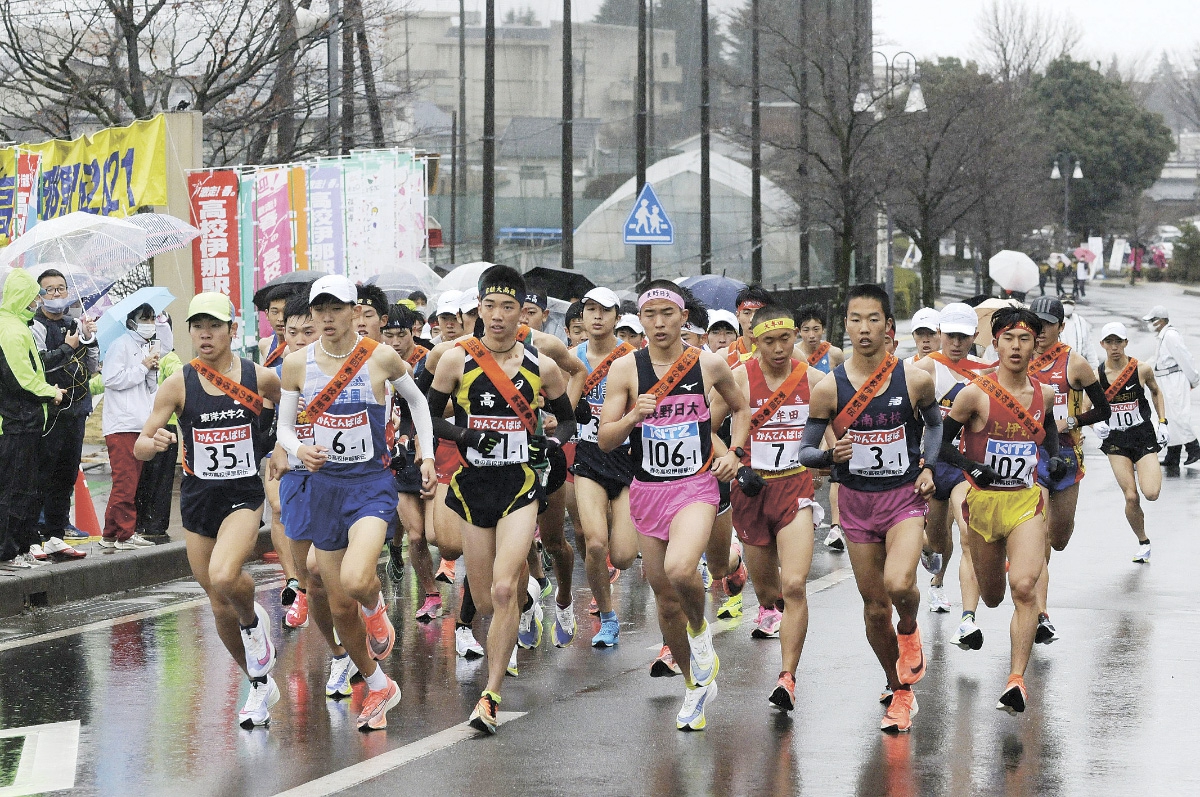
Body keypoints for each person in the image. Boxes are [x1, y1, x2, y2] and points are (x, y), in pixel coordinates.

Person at [275, 274, 436, 732]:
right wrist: (298, 447)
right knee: (338, 605)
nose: (326, 317)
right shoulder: (296, 365)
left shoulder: (380, 357)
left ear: (353, 311)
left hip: (370, 485)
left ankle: (377, 608)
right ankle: (378, 682)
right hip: (324, 487)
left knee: (356, 578)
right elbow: (285, 426)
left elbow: (419, 404)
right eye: (319, 309)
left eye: (336, 308)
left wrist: (425, 455)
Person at [427, 265, 576, 734]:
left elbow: (570, 420)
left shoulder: (541, 366)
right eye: (489, 306)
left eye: (508, 307)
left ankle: (490, 695)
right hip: (474, 488)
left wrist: (552, 439)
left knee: (504, 588)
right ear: (478, 308)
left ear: (522, 313)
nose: (497, 315)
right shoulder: (456, 360)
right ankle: (525, 609)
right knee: (487, 601)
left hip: (519, 485)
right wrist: (466, 434)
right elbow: (428, 418)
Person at [598, 280, 749, 731]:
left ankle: (702, 640)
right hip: (647, 489)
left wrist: (733, 454)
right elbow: (606, 440)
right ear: (639, 320)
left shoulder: (707, 362)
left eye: (668, 313)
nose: (659, 323)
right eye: (650, 315)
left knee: (684, 569)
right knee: (665, 600)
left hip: (696, 486)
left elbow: (742, 410)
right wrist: (632, 417)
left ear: (685, 318)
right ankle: (693, 685)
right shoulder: (625, 369)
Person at [798, 284, 943, 734]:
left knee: (900, 584)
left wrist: (928, 466)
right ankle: (897, 688)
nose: (864, 329)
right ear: (846, 325)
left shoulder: (914, 378)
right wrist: (828, 457)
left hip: (902, 499)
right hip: (857, 505)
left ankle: (912, 627)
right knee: (875, 606)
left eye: (873, 319)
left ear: (888, 327)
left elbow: (936, 426)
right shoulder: (828, 388)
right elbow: (805, 450)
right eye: (856, 320)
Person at [134, 293, 283, 728]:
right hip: (198, 500)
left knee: (224, 574)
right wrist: (154, 443)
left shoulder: (261, 377)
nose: (204, 333)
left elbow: (295, 412)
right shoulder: (179, 383)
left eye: (214, 326)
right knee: (219, 605)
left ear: (232, 330)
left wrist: (281, 448)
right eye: (197, 325)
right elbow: (142, 443)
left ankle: (254, 622)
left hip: (242, 496)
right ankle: (257, 684)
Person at [938, 306, 1063, 715]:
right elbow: (939, 446)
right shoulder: (974, 392)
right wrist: (970, 466)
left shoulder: (1042, 393)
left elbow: (1051, 436)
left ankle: (1015, 681)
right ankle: (985, 609)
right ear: (995, 343)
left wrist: (1056, 459)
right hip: (983, 505)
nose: (1015, 346)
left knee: (1024, 587)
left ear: (1034, 345)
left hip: (1025, 503)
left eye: (1024, 339)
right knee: (993, 597)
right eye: (1007, 338)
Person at [711, 305, 823, 710]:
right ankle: (740, 571)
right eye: (768, 341)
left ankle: (787, 677)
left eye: (785, 339)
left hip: (795, 490)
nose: (778, 349)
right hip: (750, 492)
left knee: (794, 585)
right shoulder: (738, 379)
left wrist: (826, 456)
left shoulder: (813, 380)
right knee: (770, 593)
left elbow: (834, 431)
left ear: (795, 336)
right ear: (754, 341)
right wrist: (734, 462)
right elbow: (704, 429)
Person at [1026, 295, 1110, 644]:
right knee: (1038, 536)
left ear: (1061, 327)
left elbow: (1103, 408)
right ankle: (1041, 614)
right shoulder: (1018, 360)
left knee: (1058, 538)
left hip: (1067, 455)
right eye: (1035, 323)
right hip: (1030, 457)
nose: (1040, 331)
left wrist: (1071, 419)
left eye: (1047, 324)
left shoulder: (1074, 364)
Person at [912, 303, 991, 629]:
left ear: (974, 336)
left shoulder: (986, 371)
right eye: (950, 335)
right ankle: (934, 568)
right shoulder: (923, 369)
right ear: (940, 334)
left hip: (963, 464)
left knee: (968, 531)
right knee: (935, 537)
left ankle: (965, 617)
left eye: (963, 336)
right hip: (929, 462)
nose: (956, 343)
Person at [569, 288, 639, 648]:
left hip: (628, 458)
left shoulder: (633, 358)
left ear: (616, 317)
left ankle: (621, 560)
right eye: (590, 309)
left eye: (604, 311)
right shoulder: (572, 358)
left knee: (624, 556)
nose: (597, 317)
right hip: (589, 457)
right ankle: (608, 619)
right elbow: (558, 408)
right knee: (595, 543)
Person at [0, 270, 66, 568]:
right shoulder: (11, 330)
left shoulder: (17, 326)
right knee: (13, 490)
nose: (37, 301)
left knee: (25, 489)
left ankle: (20, 547)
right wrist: (48, 392)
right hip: (15, 422)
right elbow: (21, 379)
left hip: (25, 421)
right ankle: (7, 551)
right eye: (34, 294)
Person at [31, 268, 97, 553]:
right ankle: (33, 536)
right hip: (49, 412)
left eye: (61, 289)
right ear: (40, 296)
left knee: (66, 475)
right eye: (50, 290)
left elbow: (92, 367)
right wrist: (69, 348)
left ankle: (57, 533)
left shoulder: (75, 323)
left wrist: (88, 339)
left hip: (77, 410)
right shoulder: (35, 325)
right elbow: (38, 366)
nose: (57, 295)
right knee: (41, 475)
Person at [381, 304, 440, 617]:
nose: (394, 341)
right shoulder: (377, 361)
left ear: (414, 331)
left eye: (400, 334)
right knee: (415, 535)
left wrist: (422, 441)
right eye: (387, 334)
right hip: (400, 456)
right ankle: (431, 594)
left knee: (435, 535)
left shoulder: (430, 359)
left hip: (432, 452)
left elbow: (432, 406)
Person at [1097, 323, 1168, 562]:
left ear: (1126, 343)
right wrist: (1095, 424)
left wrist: (1163, 422)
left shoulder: (1141, 369)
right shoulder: (1097, 375)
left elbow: (1156, 392)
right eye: (1109, 342)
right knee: (1131, 496)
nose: (1114, 347)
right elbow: (1087, 406)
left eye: (1119, 342)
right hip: (1116, 440)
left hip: (1142, 435)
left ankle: (1146, 470)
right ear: (1102, 345)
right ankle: (1143, 542)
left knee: (1151, 493)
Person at [273, 296, 320, 630]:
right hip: (295, 470)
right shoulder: (276, 373)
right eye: (293, 332)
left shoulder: (338, 368)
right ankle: (301, 589)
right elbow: (269, 420)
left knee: (330, 553)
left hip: (335, 471)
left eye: (309, 331)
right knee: (299, 538)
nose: (300, 339)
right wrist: (275, 447)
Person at [101, 303, 164, 550]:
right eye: (144, 319)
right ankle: (125, 534)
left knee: (130, 481)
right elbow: (112, 379)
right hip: (122, 424)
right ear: (131, 322)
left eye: (151, 318)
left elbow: (148, 388)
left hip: (139, 424)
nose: (149, 323)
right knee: (125, 481)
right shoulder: (121, 345)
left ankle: (110, 533)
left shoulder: (144, 347)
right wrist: (142, 367)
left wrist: (150, 371)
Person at [134, 321, 182, 540]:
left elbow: (181, 378)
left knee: (161, 481)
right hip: (144, 427)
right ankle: (142, 522)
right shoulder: (141, 357)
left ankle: (156, 525)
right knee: (144, 479)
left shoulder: (169, 359)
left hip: (166, 427)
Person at [1142, 305, 1200, 467]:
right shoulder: (1163, 336)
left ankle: (1194, 447)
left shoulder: (1171, 336)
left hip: (1174, 379)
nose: (1150, 324)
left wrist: (1193, 379)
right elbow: (1156, 359)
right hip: (1166, 379)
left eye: (1152, 321)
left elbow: (1185, 358)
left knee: (1178, 415)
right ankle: (1173, 454)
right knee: (1168, 417)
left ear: (1160, 321)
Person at [1058, 298, 1099, 369]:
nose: (1067, 306)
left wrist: (1094, 367)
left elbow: (1088, 345)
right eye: (1065, 303)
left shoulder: (1080, 321)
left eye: (1070, 303)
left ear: (1074, 305)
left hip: (1078, 364)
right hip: (1059, 365)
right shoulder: (1055, 321)